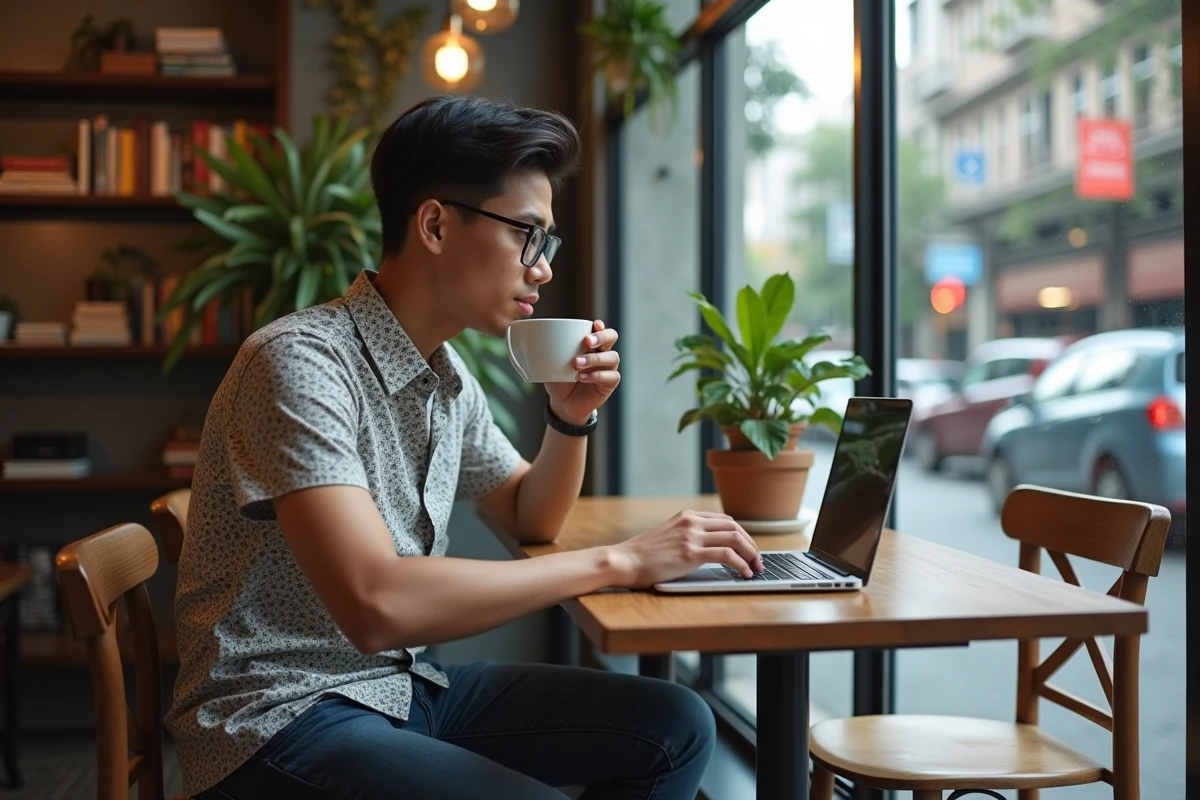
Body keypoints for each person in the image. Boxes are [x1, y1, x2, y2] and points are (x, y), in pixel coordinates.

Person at [166, 95, 764, 800]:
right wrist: (619, 560)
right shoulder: (298, 363)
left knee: (677, 724)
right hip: (275, 721)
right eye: (527, 235)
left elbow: (526, 517)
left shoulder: (447, 377)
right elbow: (375, 604)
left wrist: (570, 418)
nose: (540, 267)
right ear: (435, 225)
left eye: (547, 243)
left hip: (399, 689)